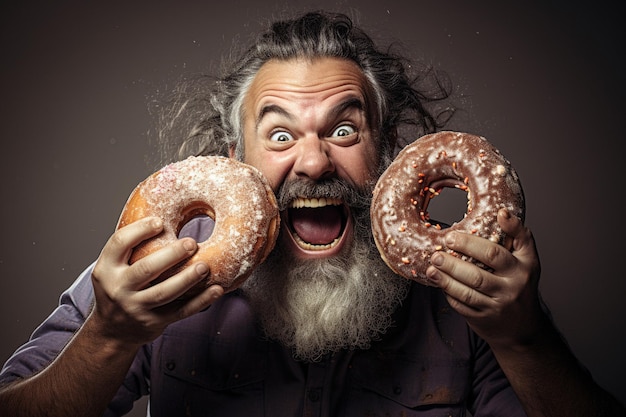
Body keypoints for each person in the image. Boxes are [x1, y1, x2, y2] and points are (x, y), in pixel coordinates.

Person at [0, 10, 624, 417]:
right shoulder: (155, 272)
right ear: (231, 160)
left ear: (384, 154)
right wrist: (108, 336)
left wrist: (524, 340)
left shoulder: (472, 288)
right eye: (278, 136)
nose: (314, 162)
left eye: (345, 129)